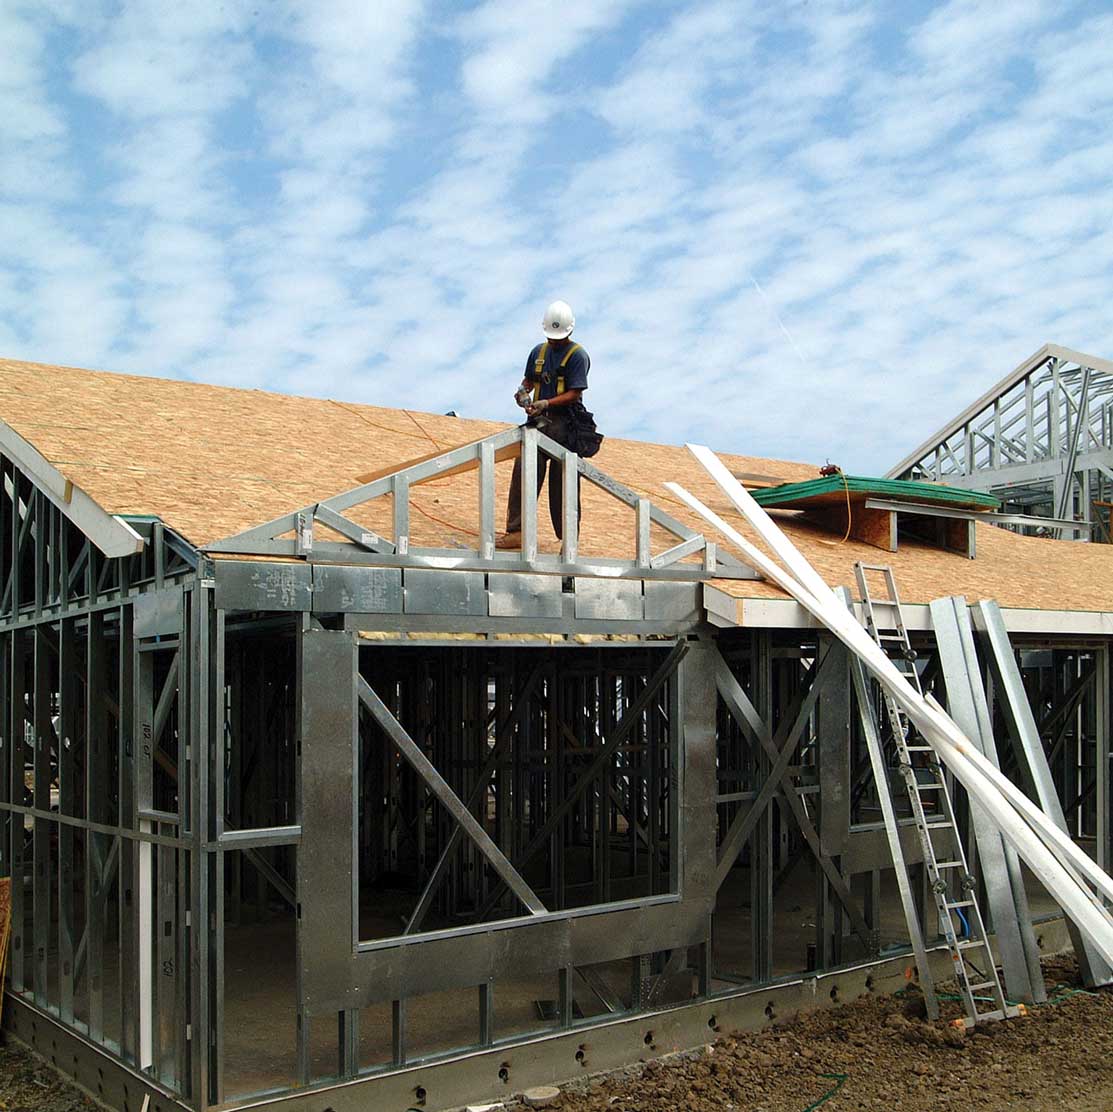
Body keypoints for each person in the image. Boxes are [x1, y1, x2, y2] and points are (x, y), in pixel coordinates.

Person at [496, 299, 590, 549]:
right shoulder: (538, 352)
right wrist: (522, 393)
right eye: (551, 336)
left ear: (569, 331)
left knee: (563, 484)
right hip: (537, 424)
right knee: (524, 474)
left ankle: (568, 540)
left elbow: (575, 393)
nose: (554, 341)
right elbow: (529, 380)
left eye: (558, 337)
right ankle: (516, 531)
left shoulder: (577, 355)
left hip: (564, 426)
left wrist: (546, 403)